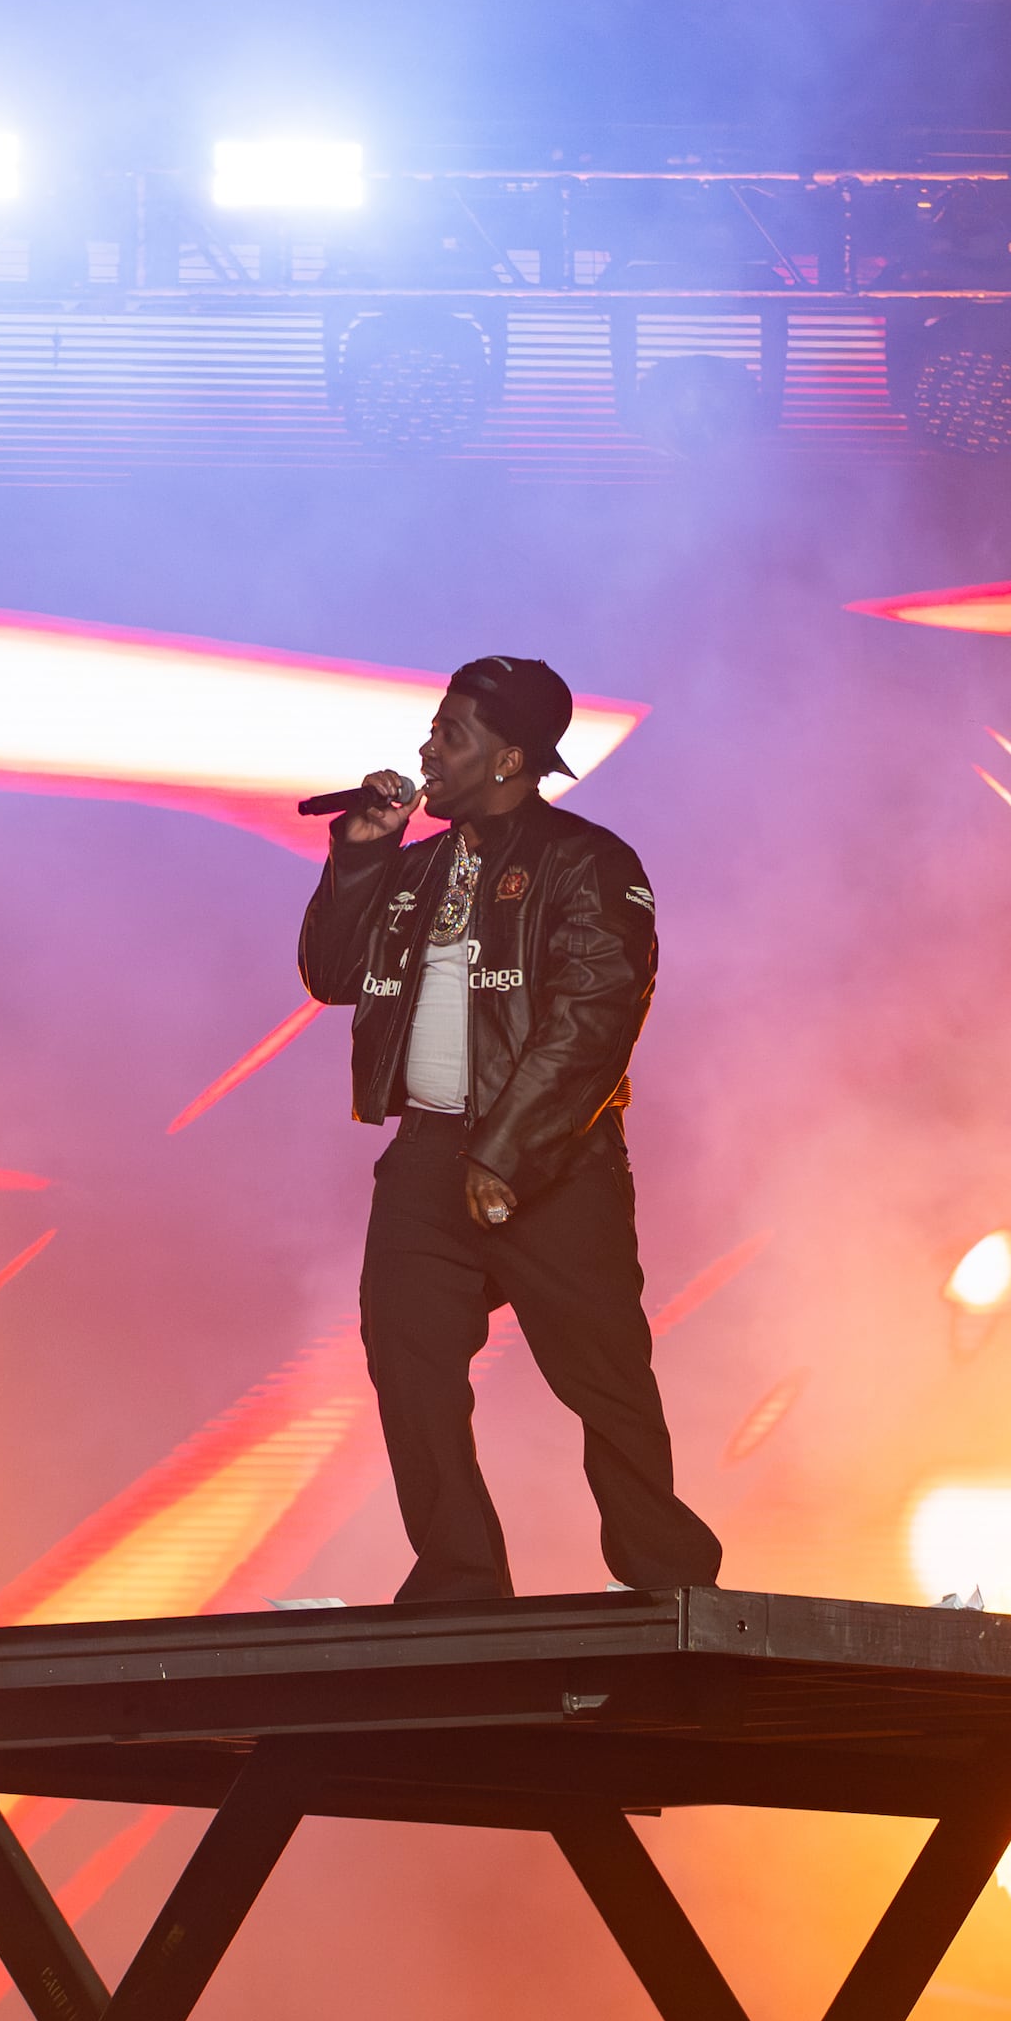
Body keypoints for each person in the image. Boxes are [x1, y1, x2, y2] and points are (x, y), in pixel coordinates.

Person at [296, 655, 725, 1603]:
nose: (426, 747)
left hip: (551, 1162)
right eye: (432, 727)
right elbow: (332, 974)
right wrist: (362, 852)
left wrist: (508, 1151)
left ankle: (668, 1578)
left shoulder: (589, 862)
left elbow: (595, 1017)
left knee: (601, 1370)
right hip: (425, 1155)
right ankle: (459, 1574)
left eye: (450, 732)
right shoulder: (414, 869)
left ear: (509, 757)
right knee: (405, 1355)